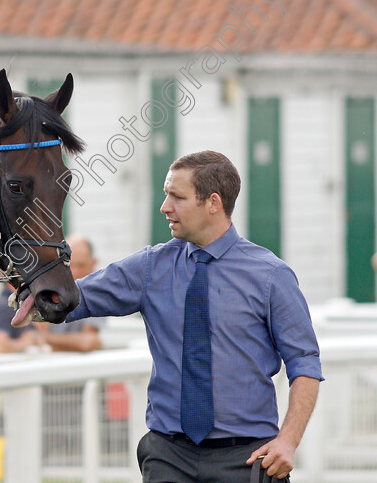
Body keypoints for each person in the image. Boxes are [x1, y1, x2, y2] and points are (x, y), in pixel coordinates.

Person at [65, 151, 322, 482]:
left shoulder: (271, 275)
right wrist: (21, 275)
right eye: (165, 195)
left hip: (248, 459)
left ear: (213, 203)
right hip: (168, 455)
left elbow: (305, 364)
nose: (165, 207)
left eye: (177, 196)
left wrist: (288, 441)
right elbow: (68, 299)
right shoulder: (149, 267)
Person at [0, 235, 104, 355]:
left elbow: (90, 342)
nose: (74, 272)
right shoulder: (6, 306)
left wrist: (44, 339)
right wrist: (28, 342)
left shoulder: (35, 299)